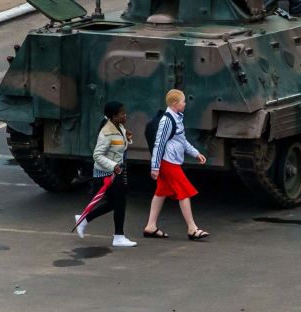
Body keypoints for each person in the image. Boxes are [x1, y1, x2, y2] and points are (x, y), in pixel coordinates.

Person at [142, 89, 209, 241]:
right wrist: (155, 167)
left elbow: (182, 140)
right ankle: (192, 228)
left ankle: (150, 226)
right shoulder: (167, 121)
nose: (185, 104)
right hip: (168, 162)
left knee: (161, 192)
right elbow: (159, 144)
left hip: (170, 161)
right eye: (183, 101)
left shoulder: (176, 117)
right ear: (175, 104)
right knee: (184, 192)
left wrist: (195, 153)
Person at [75, 102, 138, 248]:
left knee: (115, 203)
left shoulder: (119, 127)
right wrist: (113, 166)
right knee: (119, 202)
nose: (125, 115)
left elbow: (117, 147)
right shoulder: (106, 132)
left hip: (115, 172)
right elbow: (97, 155)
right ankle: (118, 236)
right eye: (122, 113)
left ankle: (84, 219)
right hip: (107, 174)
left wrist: (126, 139)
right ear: (114, 116)